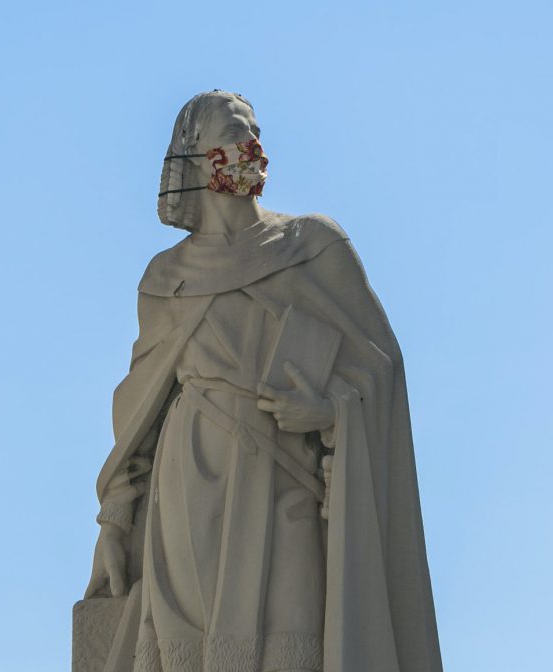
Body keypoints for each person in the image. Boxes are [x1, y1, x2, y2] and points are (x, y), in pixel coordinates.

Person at [84, 90, 443, 672]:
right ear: (195, 157)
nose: (251, 145)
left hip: (285, 479)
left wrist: (331, 413)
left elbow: (381, 368)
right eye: (234, 132)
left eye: (255, 131)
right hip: (187, 489)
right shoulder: (166, 278)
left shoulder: (311, 246)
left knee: (292, 641)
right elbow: (140, 410)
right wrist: (116, 521)